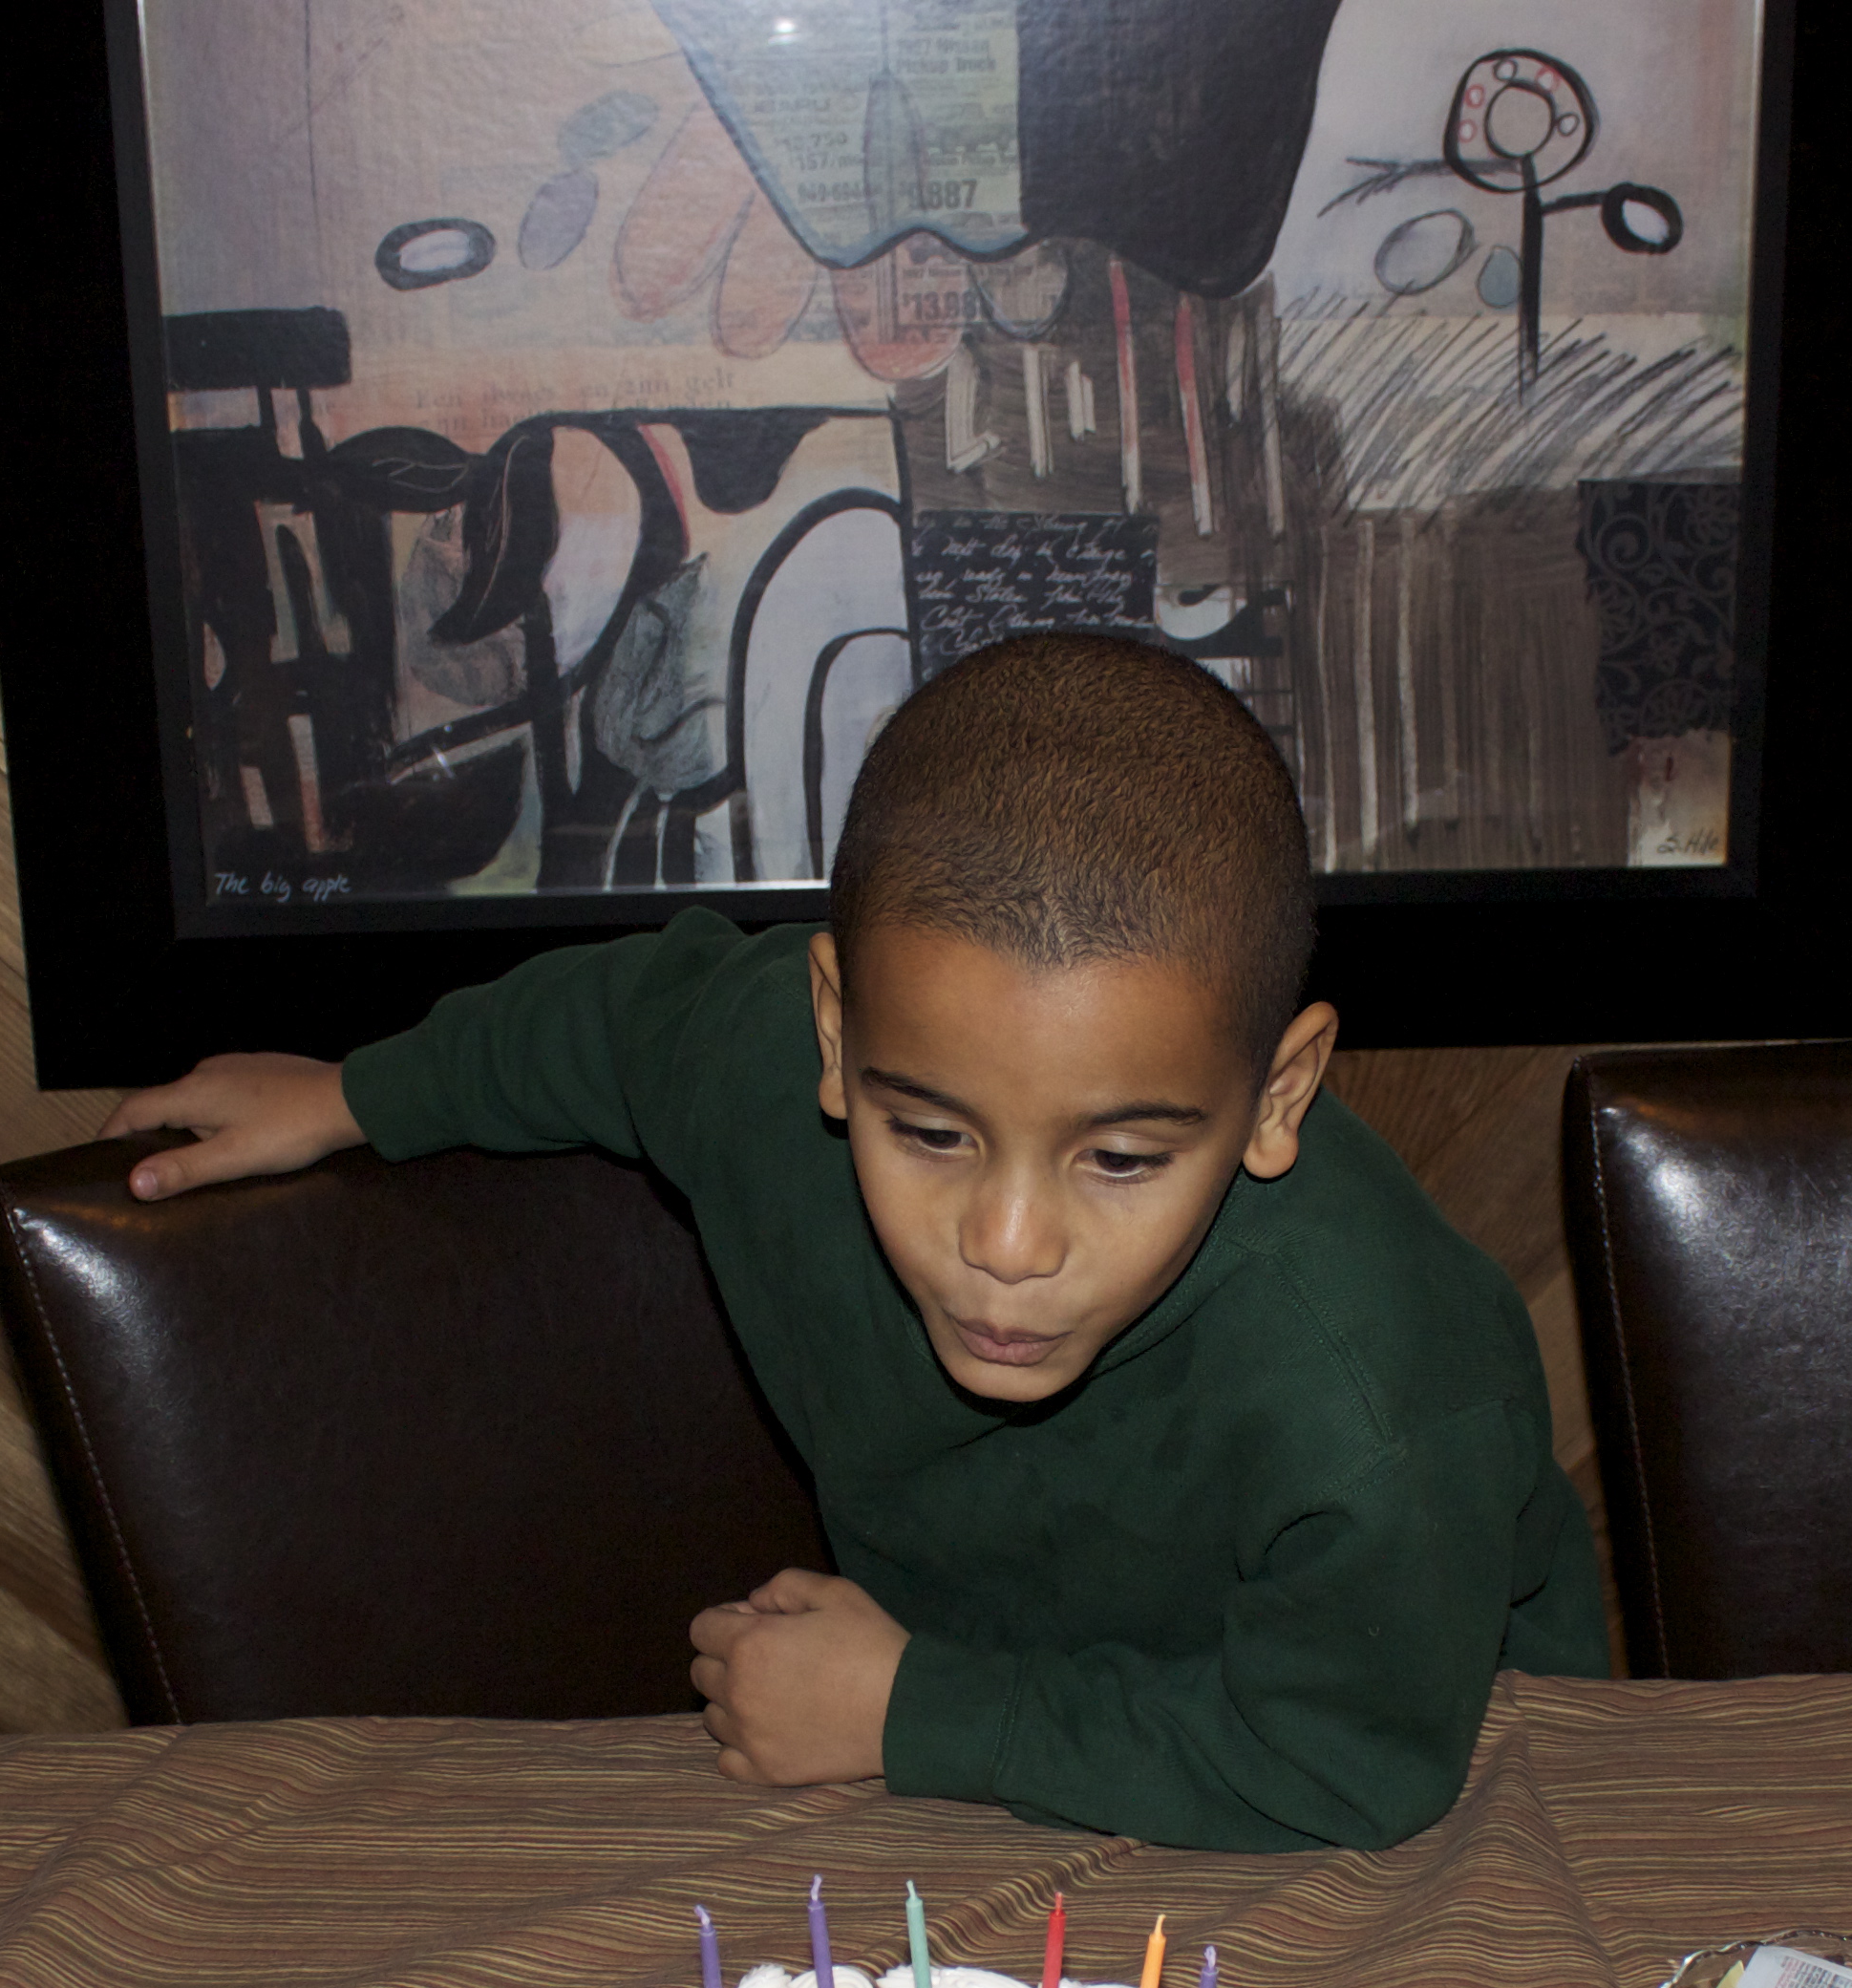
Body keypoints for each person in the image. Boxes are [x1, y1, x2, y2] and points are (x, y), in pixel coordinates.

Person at [100, 631, 1606, 1852]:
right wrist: (355, 1094)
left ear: (1278, 1096)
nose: (1004, 1244)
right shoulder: (761, 1061)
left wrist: (908, 1712)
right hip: (995, 1775)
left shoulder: (1381, 1399)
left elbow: (1346, 1764)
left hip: (1432, 1785)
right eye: (931, 1134)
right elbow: (615, 1022)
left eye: (1122, 1159)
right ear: (833, 1035)